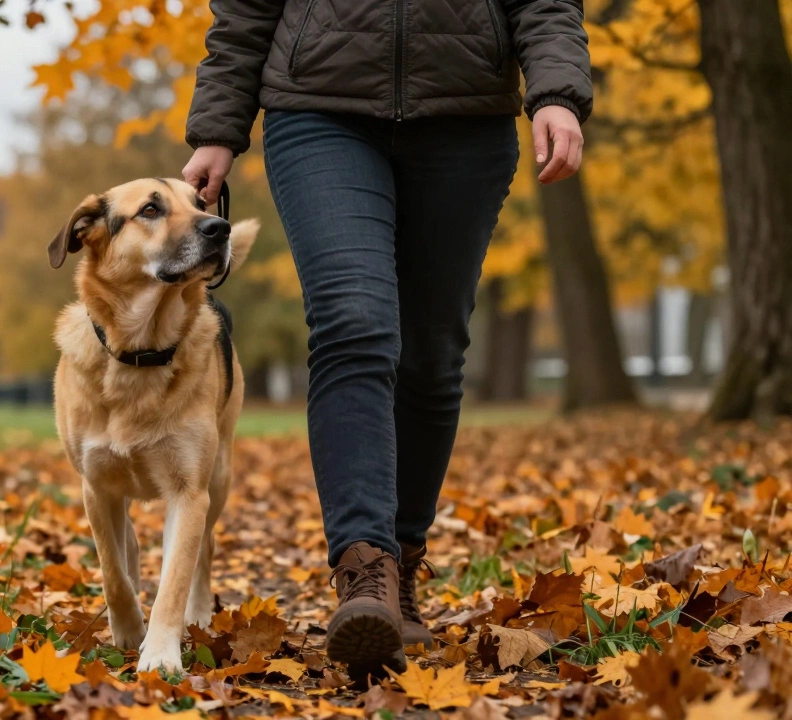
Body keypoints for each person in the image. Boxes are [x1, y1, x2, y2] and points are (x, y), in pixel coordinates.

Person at [182, 0, 590, 676]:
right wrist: (217, 126)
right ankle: (364, 570)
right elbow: (246, 10)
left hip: (466, 114)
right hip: (319, 108)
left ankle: (401, 565)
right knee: (354, 320)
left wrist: (556, 91)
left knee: (432, 354)